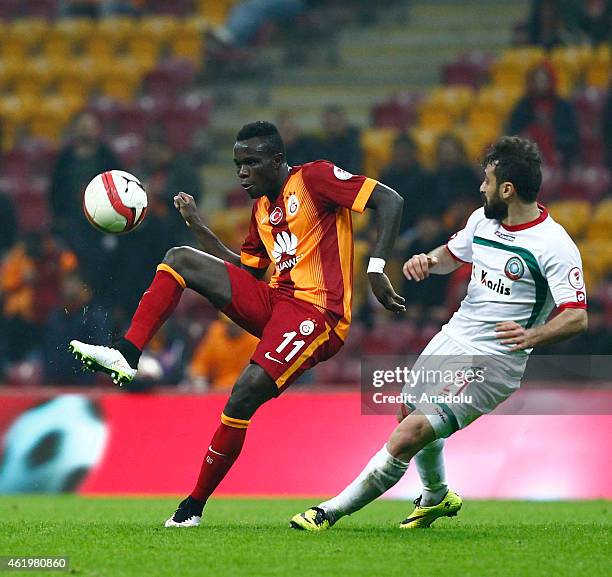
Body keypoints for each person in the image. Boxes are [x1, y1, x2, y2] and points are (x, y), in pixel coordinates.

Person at [68, 120, 405, 527]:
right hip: (275, 302)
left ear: (278, 161)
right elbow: (248, 270)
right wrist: (198, 227)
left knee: (242, 394)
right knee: (180, 257)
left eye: (251, 163)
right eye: (236, 164)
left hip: (318, 314)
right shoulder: (261, 208)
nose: (242, 172)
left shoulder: (314, 178)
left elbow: (390, 201)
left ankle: (191, 507)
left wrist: (376, 269)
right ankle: (127, 353)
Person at [291, 136, 588, 531]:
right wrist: (427, 262)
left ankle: (328, 512)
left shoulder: (553, 244)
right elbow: (453, 255)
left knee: (409, 433)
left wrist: (532, 337)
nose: (481, 188)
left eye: (487, 181)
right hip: (454, 336)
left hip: (493, 359)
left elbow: (576, 317)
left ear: (507, 189)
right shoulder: (482, 221)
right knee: (407, 413)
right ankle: (436, 496)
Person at [508, 62, 579, 168]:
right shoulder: (523, 106)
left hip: (560, 159)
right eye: (536, 80)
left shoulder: (563, 107)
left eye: (543, 80)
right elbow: (513, 133)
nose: (540, 84)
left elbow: (571, 135)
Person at [188, 315, 259, 391]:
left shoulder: (254, 337)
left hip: (244, 391)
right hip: (216, 390)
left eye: (237, 323)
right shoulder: (216, 332)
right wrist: (199, 382)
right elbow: (199, 365)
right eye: (228, 324)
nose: (233, 327)